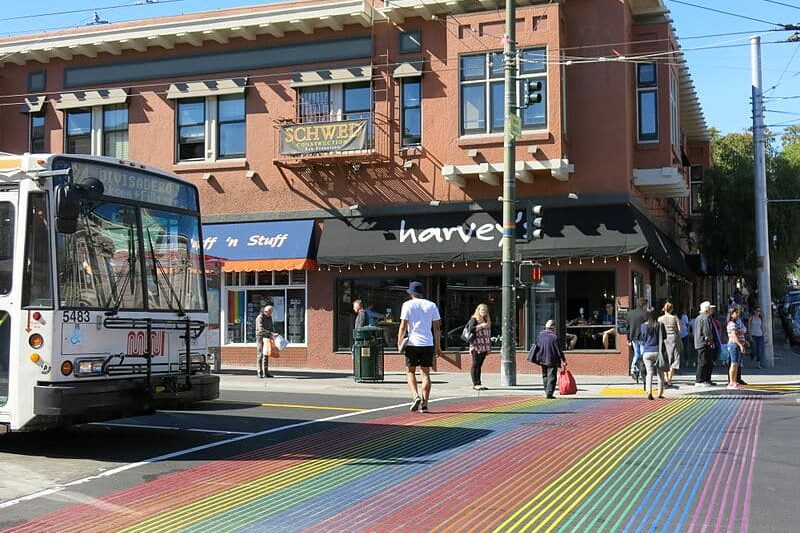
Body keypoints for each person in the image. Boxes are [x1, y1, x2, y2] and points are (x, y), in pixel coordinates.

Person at [397, 281, 442, 413]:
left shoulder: (407, 305)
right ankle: (425, 404)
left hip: (412, 343)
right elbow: (437, 328)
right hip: (427, 343)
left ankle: (415, 396)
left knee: (410, 371)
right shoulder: (432, 305)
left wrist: (399, 342)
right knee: (426, 374)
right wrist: (437, 346)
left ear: (411, 293)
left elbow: (403, 326)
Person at [535, 319, 567, 399]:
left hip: (542, 359)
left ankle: (546, 391)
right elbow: (559, 350)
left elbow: (537, 346)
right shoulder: (554, 337)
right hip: (552, 359)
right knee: (552, 376)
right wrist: (564, 360)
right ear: (553, 327)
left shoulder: (540, 335)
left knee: (545, 375)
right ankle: (549, 393)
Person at [641, 309, 667, 400]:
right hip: (658, 351)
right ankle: (660, 393)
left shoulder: (643, 326)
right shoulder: (660, 325)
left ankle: (649, 392)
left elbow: (643, 338)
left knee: (649, 373)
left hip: (647, 351)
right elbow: (664, 337)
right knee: (660, 373)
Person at [465, 303, 492, 390]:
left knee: (479, 365)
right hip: (476, 346)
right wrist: (481, 326)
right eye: (482, 310)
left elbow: (488, 334)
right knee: (475, 364)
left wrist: (488, 347)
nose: (484, 311)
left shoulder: (487, 319)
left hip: (484, 346)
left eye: (485, 310)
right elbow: (471, 329)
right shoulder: (474, 319)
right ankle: (475, 383)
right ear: (478, 310)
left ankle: (479, 383)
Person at [658, 302, 682, 387]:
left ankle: (665, 378)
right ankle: (669, 380)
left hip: (664, 339)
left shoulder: (660, 319)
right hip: (673, 338)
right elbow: (680, 329)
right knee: (674, 359)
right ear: (671, 309)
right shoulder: (675, 318)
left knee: (665, 358)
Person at [693, 301, 717, 387]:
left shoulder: (699, 318)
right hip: (704, 343)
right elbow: (706, 331)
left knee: (707, 361)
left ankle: (706, 379)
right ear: (706, 309)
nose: (712, 310)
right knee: (703, 361)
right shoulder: (705, 318)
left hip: (700, 342)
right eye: (710, 308)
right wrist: (709, 339)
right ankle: (700, 380)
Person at [627, 298, 648, 383]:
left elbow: (627, 327)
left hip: (633, 336)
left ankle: (633, 369)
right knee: (642, 355)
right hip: (642, 336)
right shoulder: (644, 314)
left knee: (636, 353)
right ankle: (639, 372)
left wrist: (628, 338)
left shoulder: (630, 313)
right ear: (643, 305)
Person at [726, 307, 746, 389]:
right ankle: (731, 382)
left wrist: (744, 341)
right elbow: (734, 336)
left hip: (737, 344)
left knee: (736, 364)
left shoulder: (737, 323)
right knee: (733, 363)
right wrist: (740, 345)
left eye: (738, 312)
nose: (737, 314)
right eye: (736, 313)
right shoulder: (731, 324)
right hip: (734, 345)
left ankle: (734, 381)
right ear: (731, 314)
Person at [255, 305, 275, 378]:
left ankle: (266, 372)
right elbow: (260, 329)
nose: (271, 314)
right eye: (270, 312)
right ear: (265, 311)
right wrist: (271, 333)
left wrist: (272, 335)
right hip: (260, 337)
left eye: (271, 312)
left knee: (266, 354)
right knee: (260, 354)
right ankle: (259, 372)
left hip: (267, 337)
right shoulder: (259, 318)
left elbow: (271, 327)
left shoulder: (269, 317)